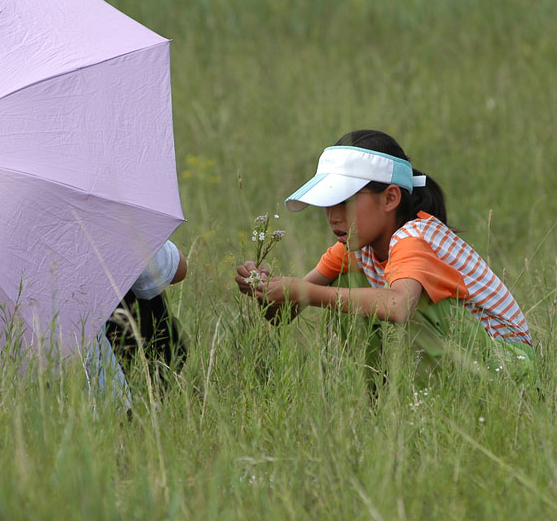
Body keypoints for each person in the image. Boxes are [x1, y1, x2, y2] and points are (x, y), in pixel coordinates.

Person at [235, 129, 535, 383]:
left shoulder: (414, 237)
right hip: (469, 359)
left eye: (345, 201)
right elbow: (285, 314)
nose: (333, 217)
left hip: (508, 366)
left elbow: (401, 306)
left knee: (400, 300)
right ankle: (381, 398)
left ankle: (435, 401)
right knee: (347, 281)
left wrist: (306, 291)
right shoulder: (356, 247)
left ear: (390, 198)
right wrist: (266, 291)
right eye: (328, 203)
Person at [86, 240, 187, 406]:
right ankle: (151, 385)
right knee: (141, 283)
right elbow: (177, 268)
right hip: (114, 380)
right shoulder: (102, 223)